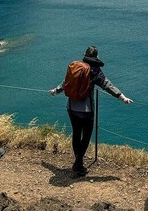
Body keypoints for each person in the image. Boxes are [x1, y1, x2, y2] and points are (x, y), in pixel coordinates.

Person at [49, 46, 132, 176]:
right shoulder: (95, 71)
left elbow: (66, 82)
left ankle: (79, 163)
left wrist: (56, 90)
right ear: (96, 57)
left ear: (85, 55)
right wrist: (122, 97)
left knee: (76, 134)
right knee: (86, 136)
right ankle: (78, 164)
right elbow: (107, 85)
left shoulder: (76, 67)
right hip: (86, 110)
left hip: (71, 107)